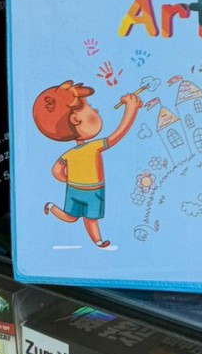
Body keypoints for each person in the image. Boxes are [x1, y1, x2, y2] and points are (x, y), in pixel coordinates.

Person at [32, 81, 141, 248]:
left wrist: (69, 179)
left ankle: (97, 240)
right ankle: (95, 239)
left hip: (75, 189)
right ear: (75, 119)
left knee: (73, 217)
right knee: (89, 218)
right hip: (92, 190)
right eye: (89, 108)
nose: (95, 110)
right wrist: (131, 110)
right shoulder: (93, 147)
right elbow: (118, 134)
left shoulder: (70, 153)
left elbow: (56, 171)